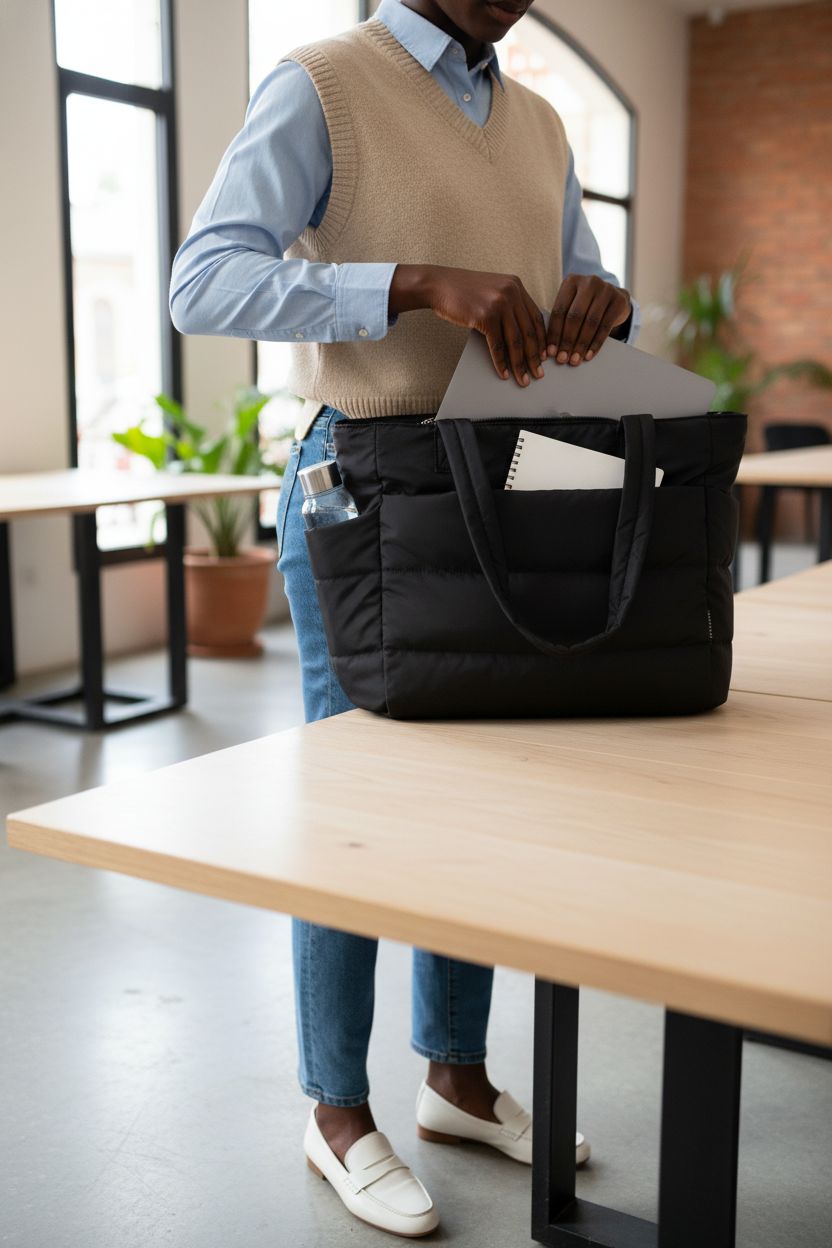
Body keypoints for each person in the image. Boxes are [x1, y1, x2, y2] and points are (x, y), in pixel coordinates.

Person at [170, 0, 639, 1236]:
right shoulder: (324, 83)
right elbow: (202, 280)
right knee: (359, 811)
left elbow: (577, 275)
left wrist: (603, 302)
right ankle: (334, 1111)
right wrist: (411, 282)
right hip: (368, 481)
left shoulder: (536, 120)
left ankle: (456, 1077)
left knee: (486, 793)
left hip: (517, 469)